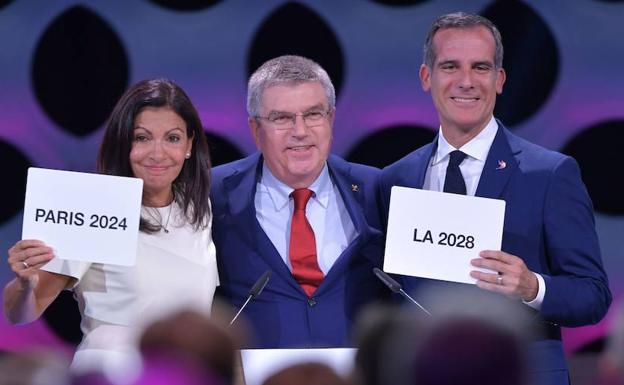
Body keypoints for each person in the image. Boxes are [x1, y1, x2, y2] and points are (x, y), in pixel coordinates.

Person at [378, 12, 611, 385]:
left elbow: (593, 295)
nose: (466, 81)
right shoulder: (396, 180)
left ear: (499, 80)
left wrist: (532, 286)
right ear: (427, 77)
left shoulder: (549, 174)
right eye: (451, 66)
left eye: (481, 67)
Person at [3, 79, 219, 378]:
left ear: (189, 146)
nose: (158, 153)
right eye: (142, 138)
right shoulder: (94, 204)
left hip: (184, 375)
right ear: (122, 143)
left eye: (172, 138)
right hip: (111, 375)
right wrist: (25, 283)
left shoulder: (199, 209)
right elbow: (21, 312)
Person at [211, 55, 385, 348]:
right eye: (281, 118)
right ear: (255, 130)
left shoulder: (377, 189)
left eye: (313, 114)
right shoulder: (212, 192)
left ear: (330, 119)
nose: (300, 131)